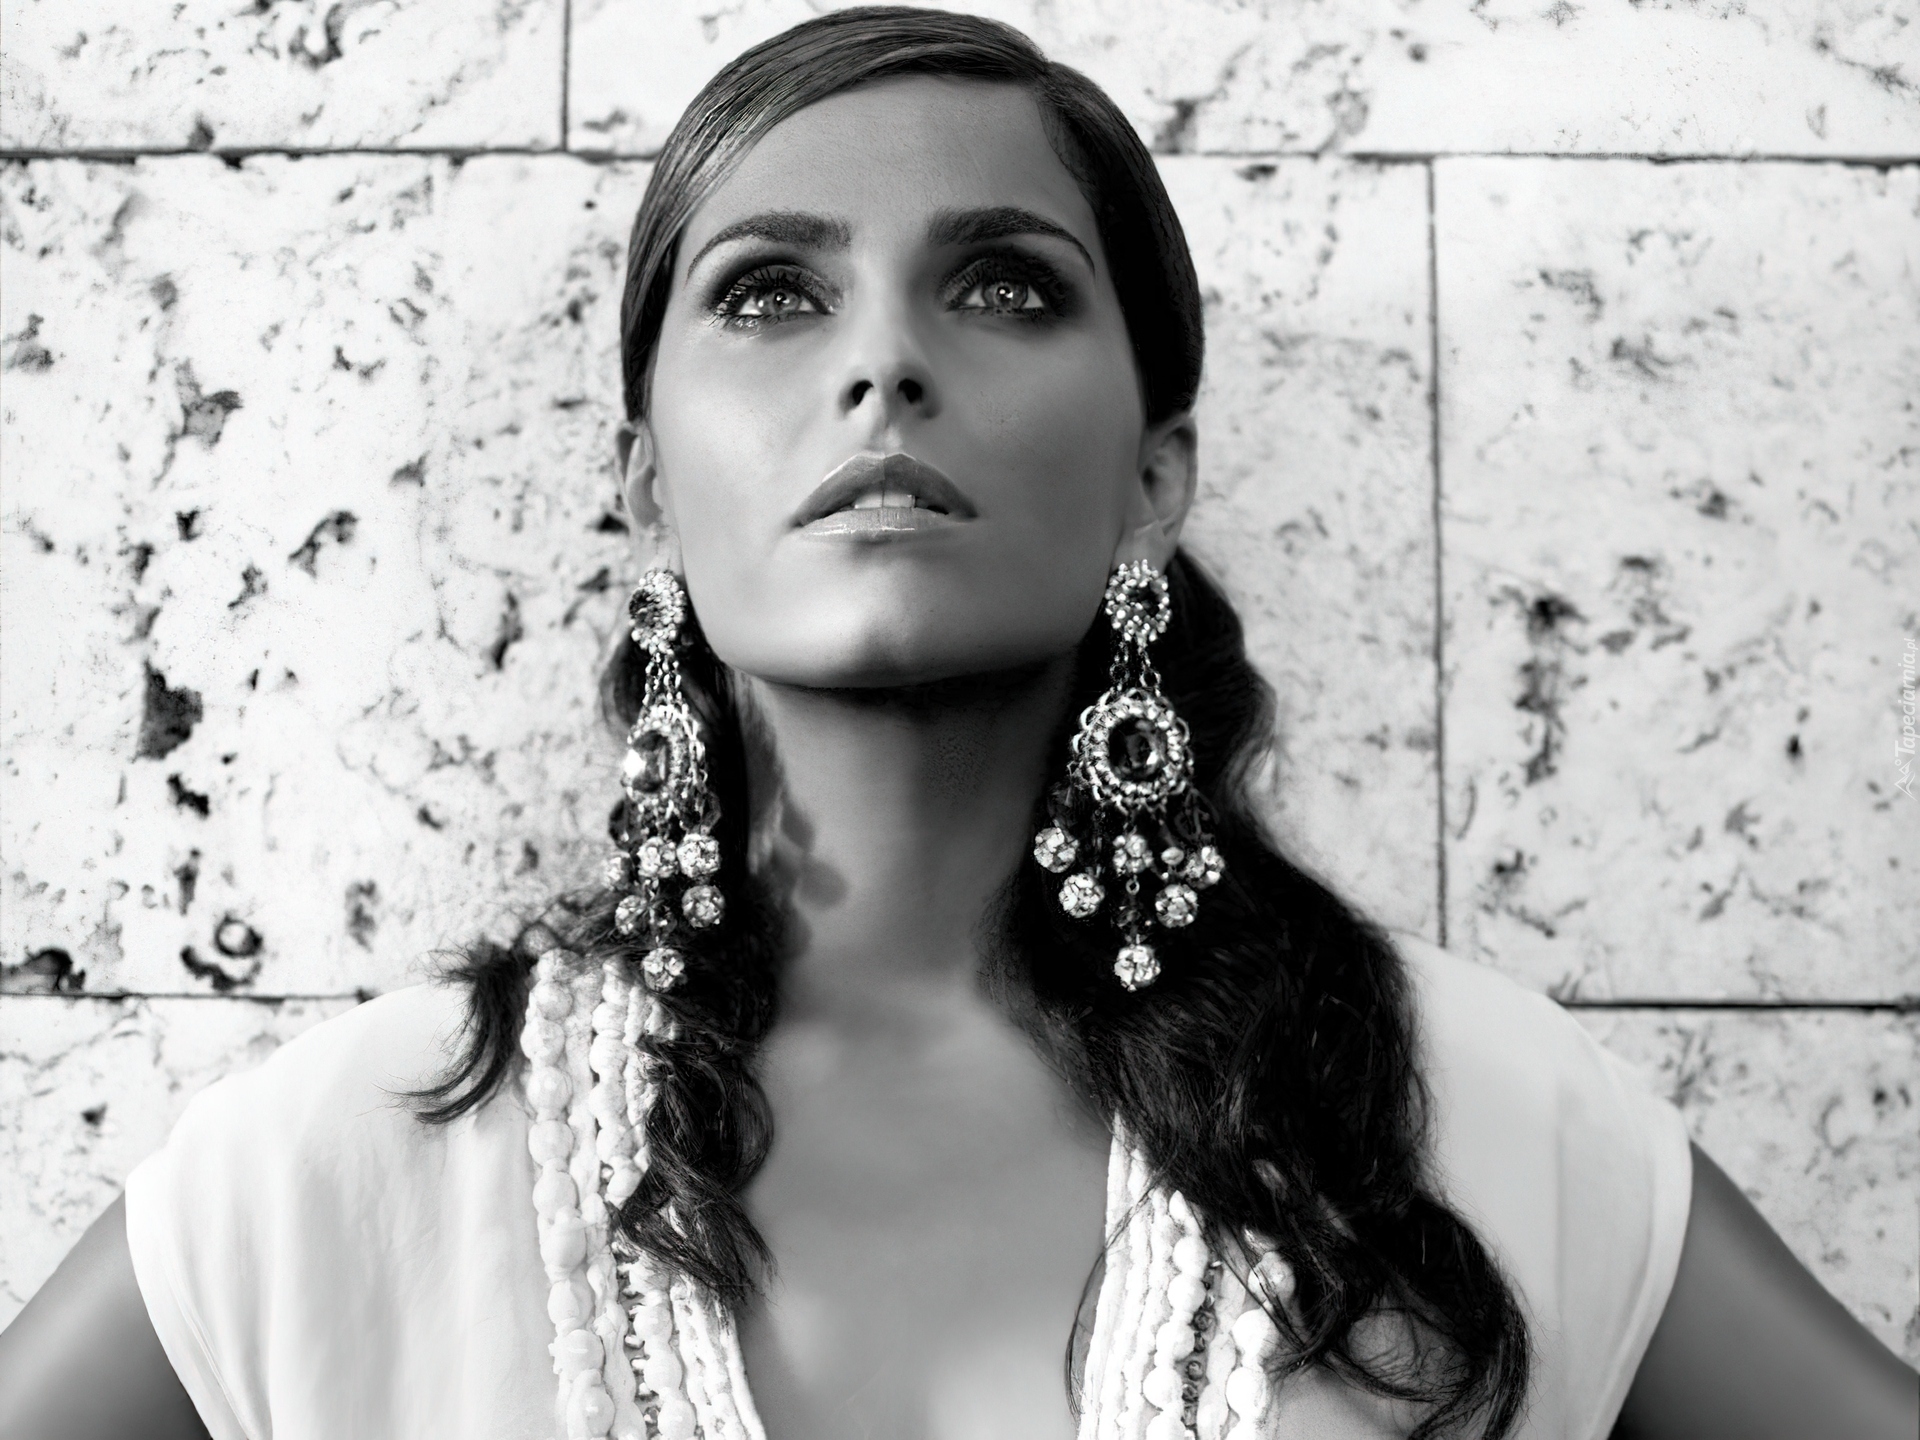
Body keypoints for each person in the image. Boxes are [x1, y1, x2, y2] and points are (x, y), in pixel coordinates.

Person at [1, 9, 1913, 1439]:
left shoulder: (1485, 1123)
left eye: (1002, 285)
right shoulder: (353, 1172)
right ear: (649, 482)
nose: (885, 360)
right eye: (772, 293)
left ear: (1155, 474)